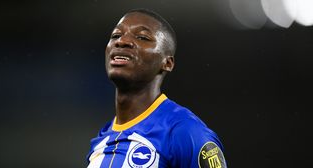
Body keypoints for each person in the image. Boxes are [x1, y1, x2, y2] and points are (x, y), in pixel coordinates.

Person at [87, 8, 227, 168]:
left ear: (167, 63)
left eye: (142, 37)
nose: (122, 41)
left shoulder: (185, 131)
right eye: (116, 35)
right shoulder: (101, 141)